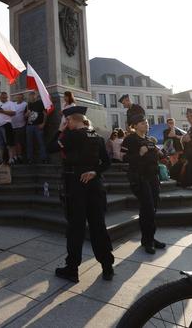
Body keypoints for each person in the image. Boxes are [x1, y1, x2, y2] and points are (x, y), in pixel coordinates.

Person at [48, 106, 114, 283]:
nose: (66, 123)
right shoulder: (97, 137)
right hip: (95, 184)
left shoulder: (71, 136)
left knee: (75, 227)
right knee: (98, 225)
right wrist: (95, 172)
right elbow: (106, 162)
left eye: (67, 121)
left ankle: (72, 269)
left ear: (73, 120)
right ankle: (107, 266)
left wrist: (59, 131)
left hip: (75, 185)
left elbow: (50, 148)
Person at [122, 115, 166, 254]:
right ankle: (147, 241)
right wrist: (139, 154)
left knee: (152, 208)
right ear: (134, 126)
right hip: (140, 177)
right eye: (142, 123)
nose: (146, 124)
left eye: (146, 122)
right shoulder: (130, 139)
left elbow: (157, 156)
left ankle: (149, 238)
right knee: (147, 208)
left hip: (153, 177)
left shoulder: (149, 140)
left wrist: (161, 154)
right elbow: (122, 157)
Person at [0, 92, 16, 164]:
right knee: (0, 144)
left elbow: (13, 113)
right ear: (0, 97)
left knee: (9, 143)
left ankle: (11, 158)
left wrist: (3, 111)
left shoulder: (10, 103)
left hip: (6, 125)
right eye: (2, 97)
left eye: (5, 97)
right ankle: (2, 159)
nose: (4, 99)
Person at [26, 91, 48, 164]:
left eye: (33, 95)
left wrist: (43, 123)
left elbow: (45, 114)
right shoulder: (28, 104)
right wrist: (27, 114)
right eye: (30, 96)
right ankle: (30, 159)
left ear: (36, 96)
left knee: (41, 142)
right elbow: (25, 116)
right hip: (29, 126)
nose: (31, 97)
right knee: (29, 143)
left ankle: (44, 158)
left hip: (38, 125)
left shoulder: (40, 103)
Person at [11, 93, 28, 163]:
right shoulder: (13, 104)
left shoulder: (25, 104)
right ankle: (14, 156)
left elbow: (27, 112)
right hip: (12, 126)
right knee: (13, 142)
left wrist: (26, 115)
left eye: (20, 98)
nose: (19, 99)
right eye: (18, 97)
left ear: (22, 98)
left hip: (21, 126)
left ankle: (20, 156)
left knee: (19, 142)